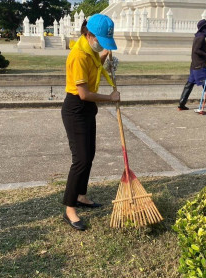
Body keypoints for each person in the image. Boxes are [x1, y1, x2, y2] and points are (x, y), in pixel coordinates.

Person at [61, 14, 120, 231]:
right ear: (89, 34)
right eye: (101, 41)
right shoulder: (78, 55)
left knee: (90, 154)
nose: (101, 45)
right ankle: (69, 208)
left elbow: (95, 65)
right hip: (76, 108)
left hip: (87, 109)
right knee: (81, 159)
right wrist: (110, 98)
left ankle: (82, 196)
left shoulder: (90, 49)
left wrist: (105, 55)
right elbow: (84, 93)